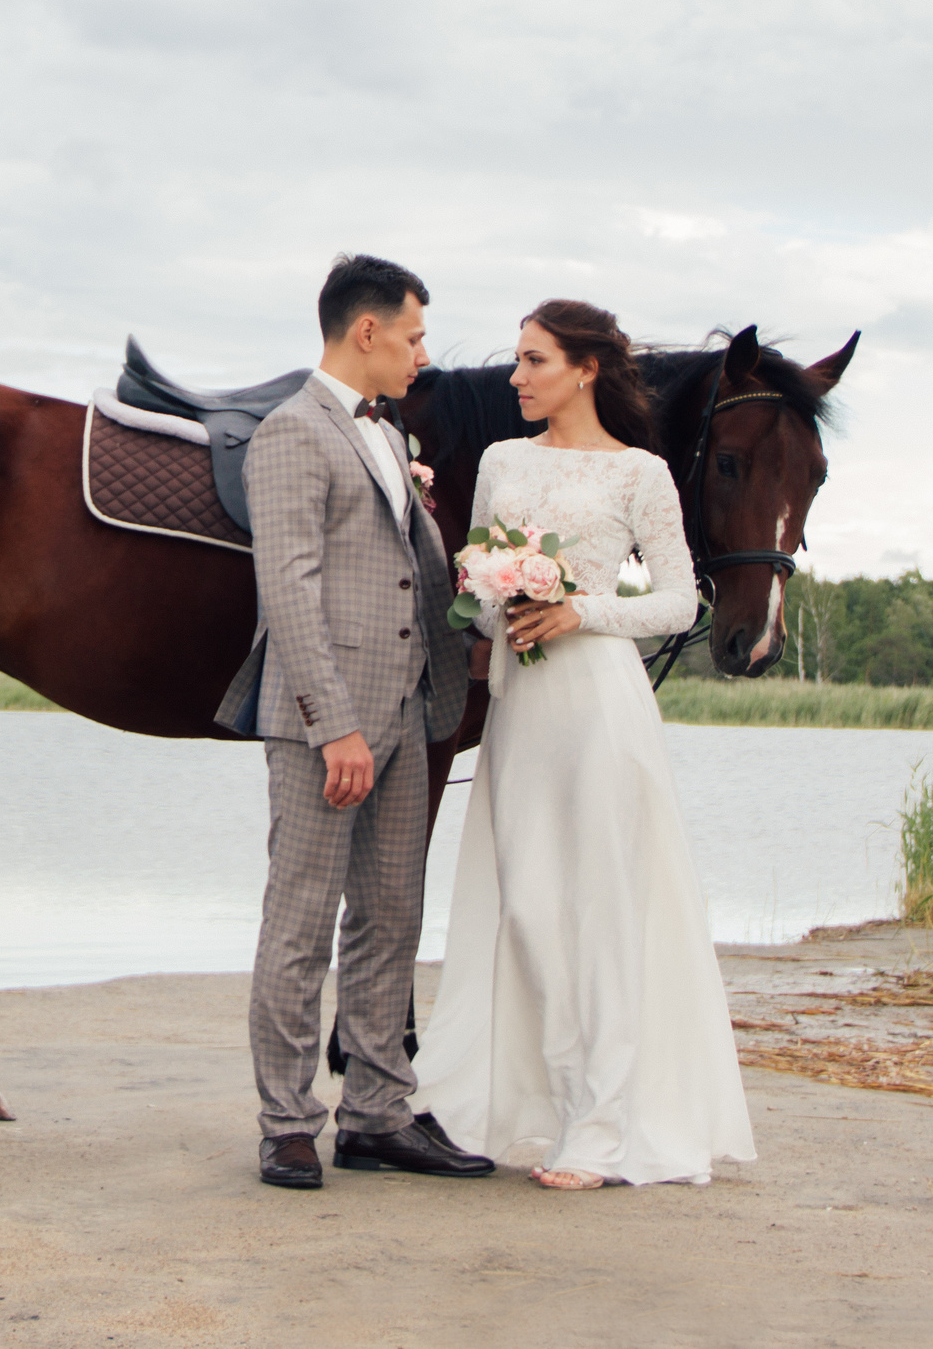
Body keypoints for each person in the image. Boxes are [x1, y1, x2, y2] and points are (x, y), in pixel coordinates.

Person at [412, 299, 757, 1189]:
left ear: (587, 368)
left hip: (603, 704)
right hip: (522, 703)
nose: (517, 377)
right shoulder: (500, 460)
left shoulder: (640, 474)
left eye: (533, 361)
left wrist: (577, 607)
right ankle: (551, 1100)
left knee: (601, 908)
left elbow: (681, 602)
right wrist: (502, 595)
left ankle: (599, 1128)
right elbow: (478, 587)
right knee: (526, 904)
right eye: (518, 361)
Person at [215, 254, 491, 1190]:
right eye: (414, 334)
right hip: (325, 728)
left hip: (407, 714)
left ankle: (376, 1111)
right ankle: (287, 1120)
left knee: (389, 920)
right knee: (299, 923)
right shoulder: (292, 432)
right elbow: (286, 587)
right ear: (365, 331)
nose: (423, 351)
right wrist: (333, 725)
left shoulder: (388, 429)